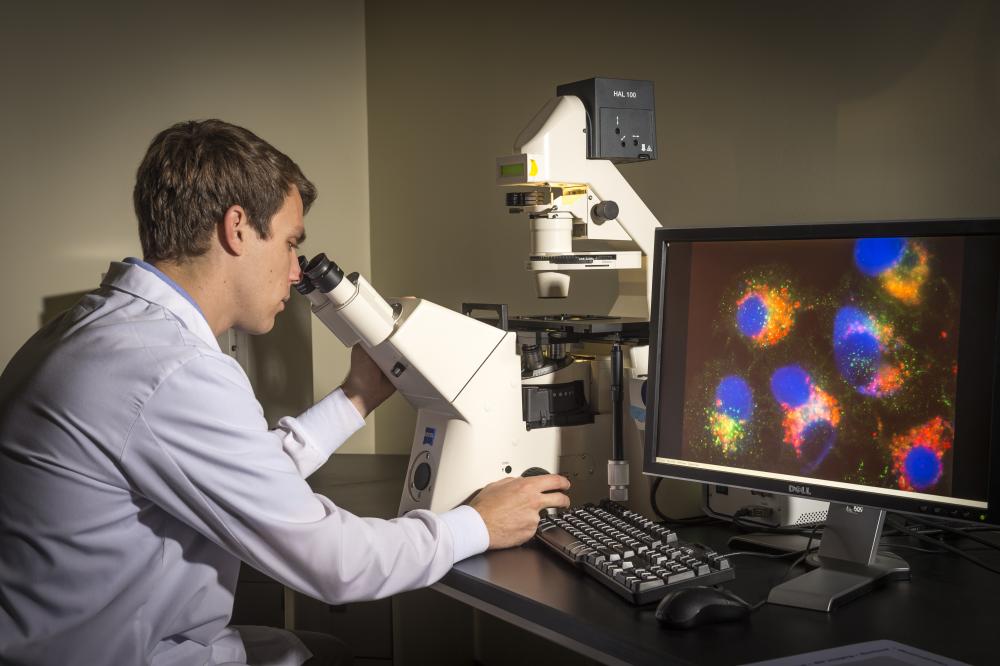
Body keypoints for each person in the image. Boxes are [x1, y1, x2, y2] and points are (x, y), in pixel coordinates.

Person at [0, 119, 571, 665]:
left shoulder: (96, 330)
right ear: (238, 226)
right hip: (116, 653)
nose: (298, 271)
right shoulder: (173, 370)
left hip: (81, 635)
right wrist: (477, 524)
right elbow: (334, 563)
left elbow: (233, 472)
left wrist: (357, 397)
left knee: (322, 648)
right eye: (292, 244)